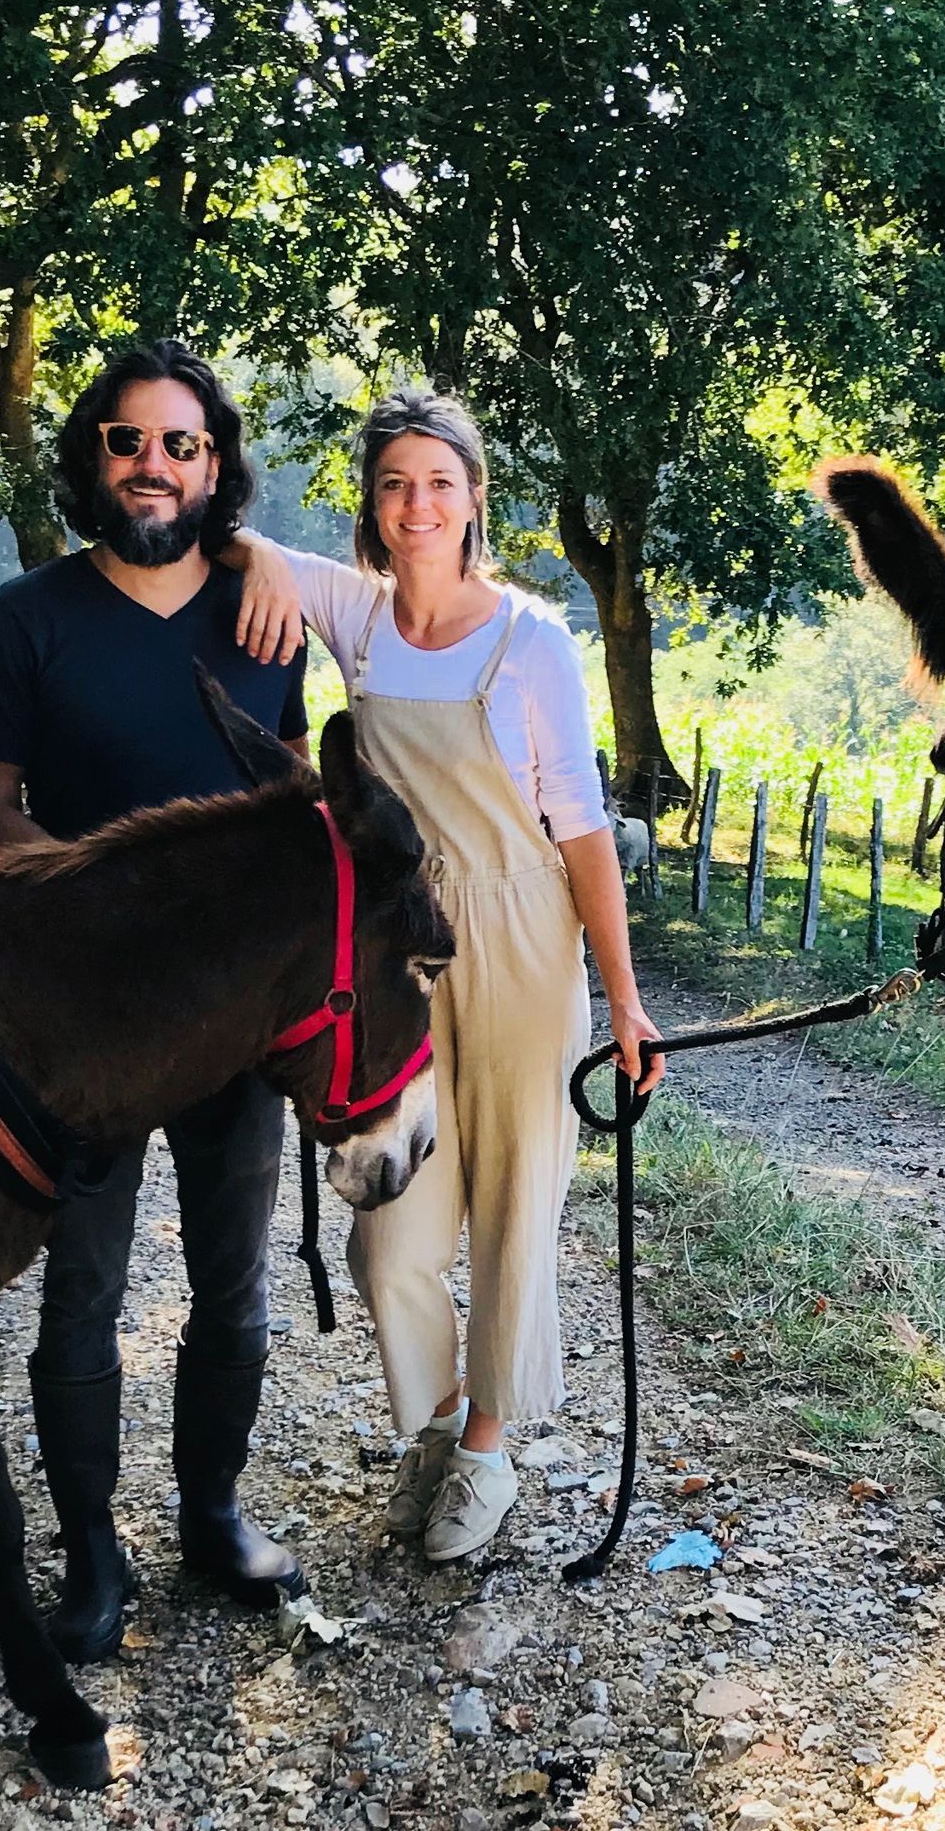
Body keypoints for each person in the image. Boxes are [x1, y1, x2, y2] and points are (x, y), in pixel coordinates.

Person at [227, 389, 665, 1562]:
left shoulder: (532, 642)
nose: (417, 504)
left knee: (518, 1204)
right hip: (395, 956)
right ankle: (427, 1425)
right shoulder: (356, 619)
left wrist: (622, 997)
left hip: (520, 942)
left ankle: (484, 1450)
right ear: (371, 507)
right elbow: (228, 529)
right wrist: (264, 553)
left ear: (475, 499)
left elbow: (579, 830)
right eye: (393, 484)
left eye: (440, 482)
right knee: (390, 1232)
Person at [0, 340, 311, 1662]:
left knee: (234, 1288)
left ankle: (212, 1518)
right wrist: (63, 898)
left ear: (215, 466)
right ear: (89, 457)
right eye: (126, 439)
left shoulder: (264, 616)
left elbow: (299, 818)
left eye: (180, 444)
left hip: (233, 1024)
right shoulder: (28, 619)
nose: (151, 465)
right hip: (84, 1028)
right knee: (82, 1295)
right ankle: (92, 1556)